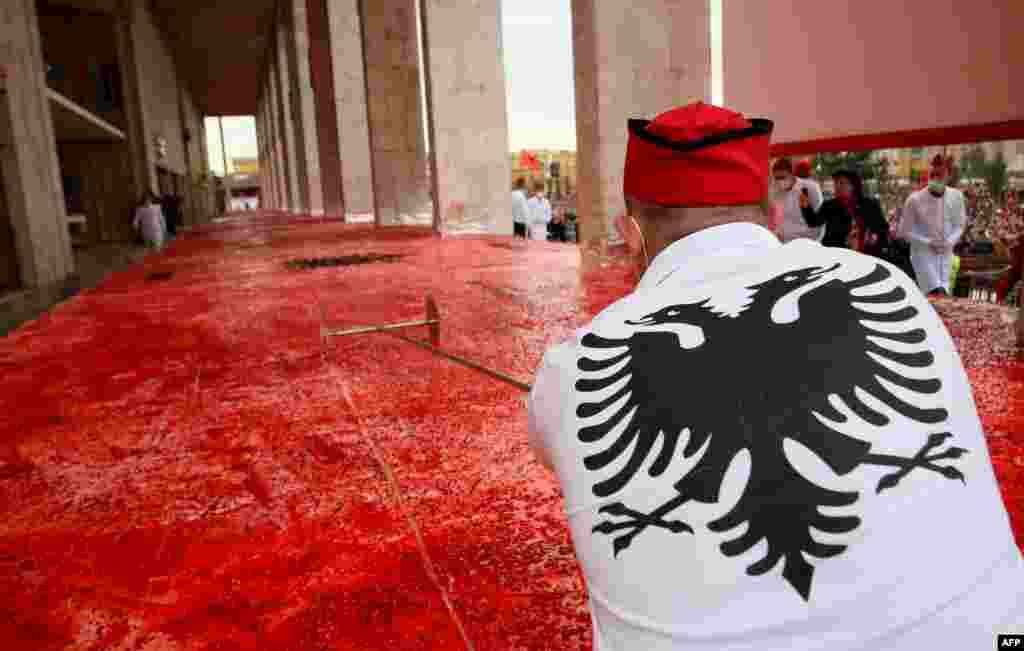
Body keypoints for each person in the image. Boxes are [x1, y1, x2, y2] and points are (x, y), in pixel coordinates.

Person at [526, 101, 1023, 650]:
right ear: (768, 215)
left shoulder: (579, 360)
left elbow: (566, 449)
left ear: (629, 233)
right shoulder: (883, 282)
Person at [899, 155, 966, 296]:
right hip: (923, 256)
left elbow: (959, 225)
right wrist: (928, 242)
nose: (936, 178)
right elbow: (904, 232)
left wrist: (948, 242)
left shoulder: (957, 196)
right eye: (933, 175)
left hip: (946, 256)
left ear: (948, 175)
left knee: (943, 296)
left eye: (939, 175)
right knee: (936, 293)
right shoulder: (914, 200)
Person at [800, 169, 889, 255]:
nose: (837, 186)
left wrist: (877, 241)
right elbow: (813, 222)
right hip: (837, 255)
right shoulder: (829, 205)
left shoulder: (869, 204)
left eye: (841, 183)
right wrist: (806, 207)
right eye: (835, 183)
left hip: (866, 255)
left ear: (853, 185)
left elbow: (883, 228)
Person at [771, 157, 823, 243]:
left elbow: (820, 220)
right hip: (785, 244)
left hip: (809, 243)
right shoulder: (777, 192)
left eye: (782, 177)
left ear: (792, 174)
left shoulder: (810, 188)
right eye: (777, 178)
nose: (779, 181)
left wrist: (814, 242)